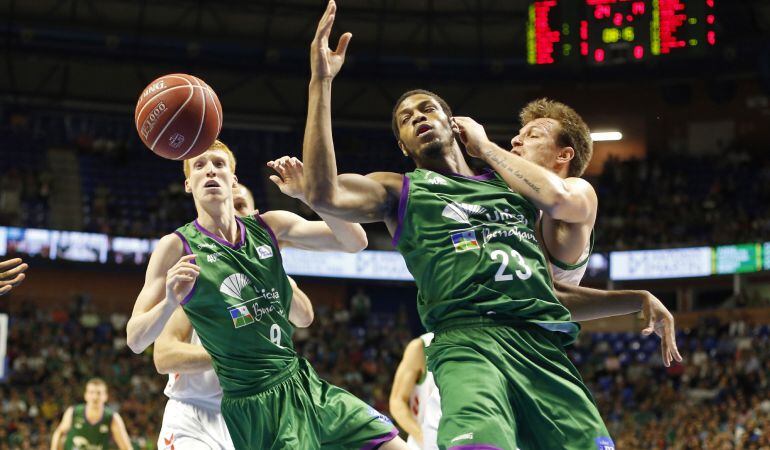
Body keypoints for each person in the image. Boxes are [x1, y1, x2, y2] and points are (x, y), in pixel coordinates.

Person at [302, 2, 677, 448]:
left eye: (427, 109)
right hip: (467, 343)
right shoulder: (397, 189)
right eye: (406, 119)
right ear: (402, 146)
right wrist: (321, 83)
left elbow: (546, 293)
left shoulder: (515, 193)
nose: (418, 117)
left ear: (454, 123)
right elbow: (323, 193)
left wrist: (635, 297)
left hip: (541, 349)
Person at [126, 140, 407, 449]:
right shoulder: (177, 246)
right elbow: (136, 340)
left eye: (219, 164)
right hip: (254, 404)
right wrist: (168, 302)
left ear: (232, 180)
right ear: (188, 184)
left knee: (394, 444)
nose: (210, 171)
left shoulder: (270, 226)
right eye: (200, 165)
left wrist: (308, 196)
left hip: (303, 382)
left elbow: (355, 241)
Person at [153, 183, 313, 450]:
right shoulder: (200, 276)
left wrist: (267, 267)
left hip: (252, 414)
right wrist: (235, 356)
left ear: (256, 217)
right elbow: (164, 356)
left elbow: (304, 316)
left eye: (239, 206)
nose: (232, 214)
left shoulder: (272, 279)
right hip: (195, 414)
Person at [50, 378, 132, 450]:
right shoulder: (73, 412)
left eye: (99, 393)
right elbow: (59, 433)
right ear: (85, 395)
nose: (95, 397)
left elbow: (126, 447)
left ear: (105, 396)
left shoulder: (112, 417)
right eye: (91, 392)